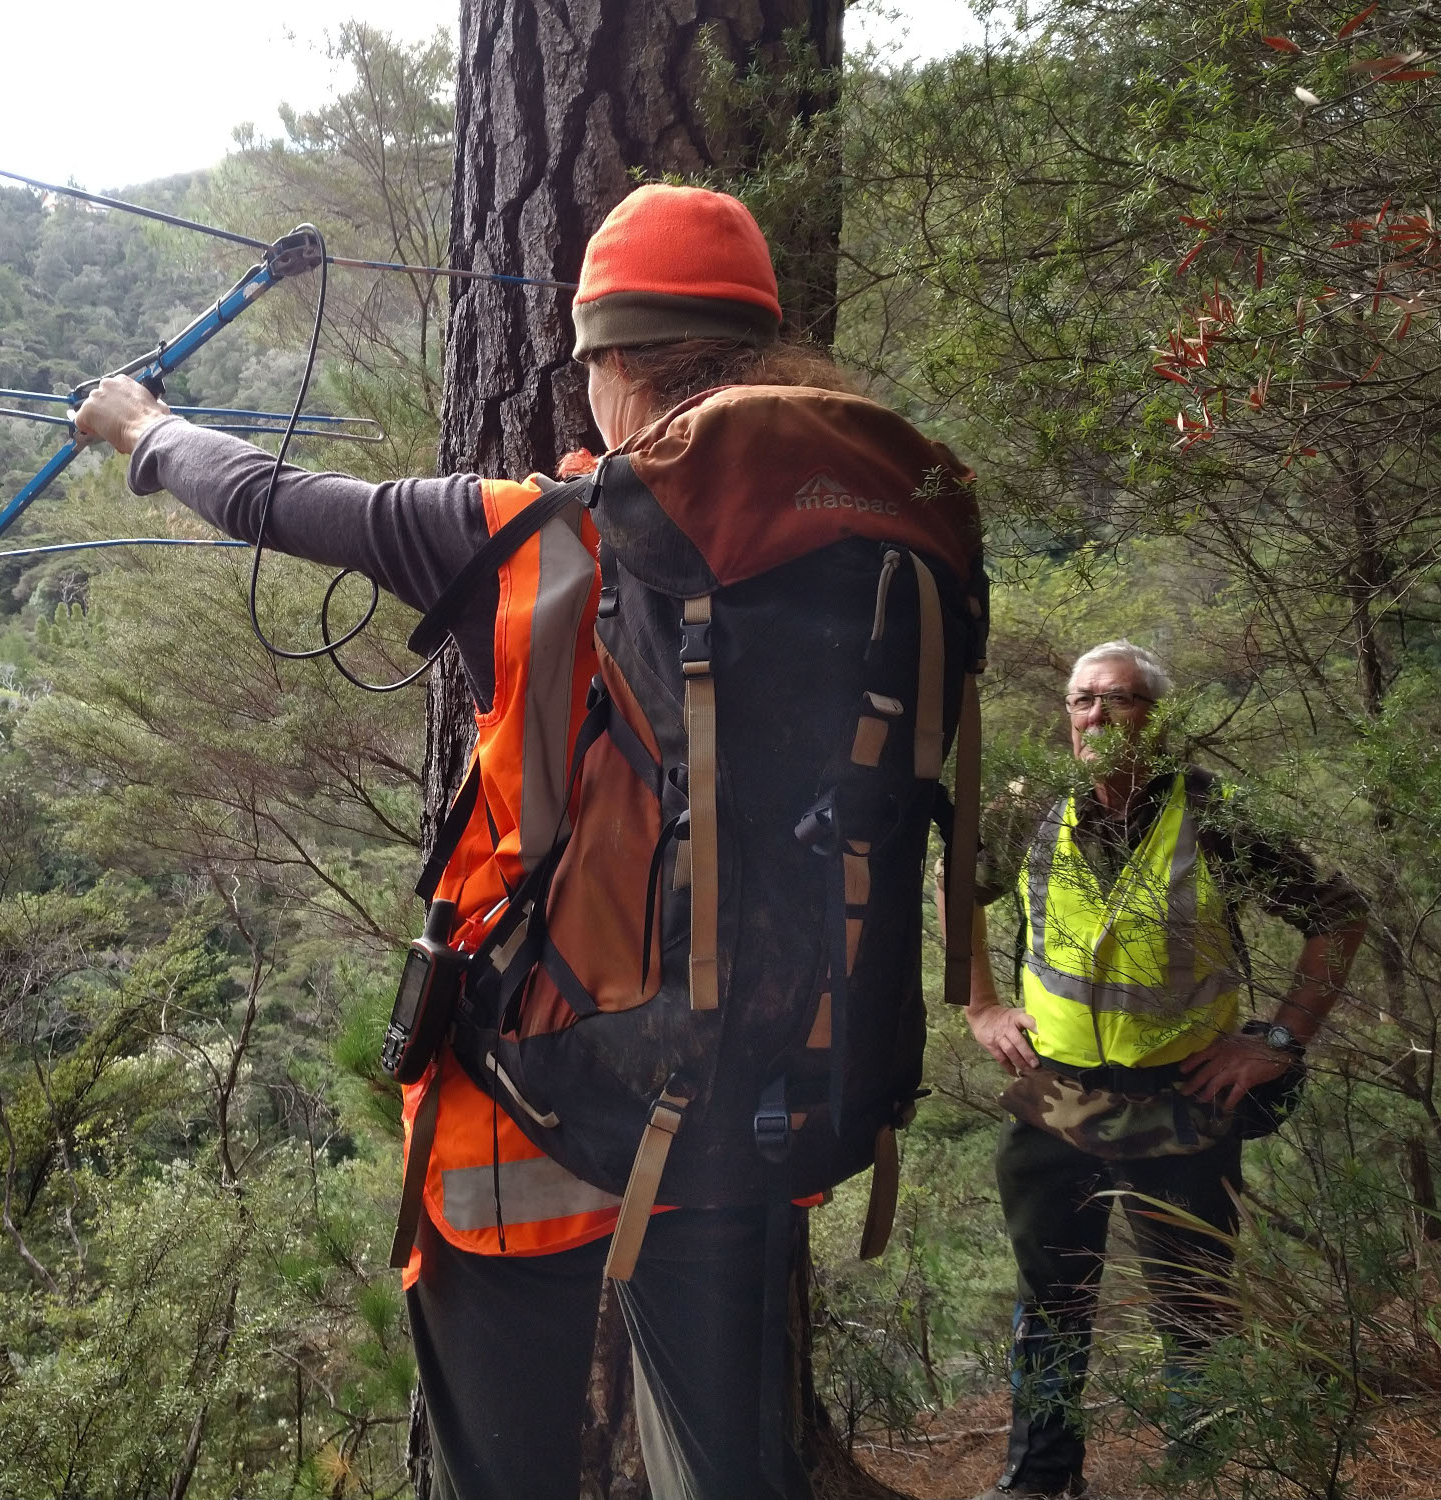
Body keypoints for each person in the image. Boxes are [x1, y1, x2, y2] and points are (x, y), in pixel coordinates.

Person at [74, 185, 974, 1500]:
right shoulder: (880, 544)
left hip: (529, 1100)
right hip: (758, 1093)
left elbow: (273, 498)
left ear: (611, 365)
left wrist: (141, 429)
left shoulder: (544, 540)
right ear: (767, 360)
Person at [959, 640, 1367, 1500]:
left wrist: (1279, 1041)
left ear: (1160, 717)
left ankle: (1204, 1475)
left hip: (1182, 1100)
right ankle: (1038, 1481)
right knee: (1050, 1301)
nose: (1097, 718)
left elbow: (1336, 913)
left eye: (1120, 701)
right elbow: (957, 885)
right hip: (1054, 1095)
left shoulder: (1216, 818)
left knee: (1193, 1308)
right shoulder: (1027, 810)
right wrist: (981, 1008)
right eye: (1082, 702)